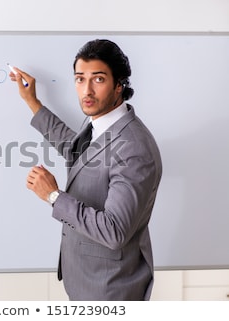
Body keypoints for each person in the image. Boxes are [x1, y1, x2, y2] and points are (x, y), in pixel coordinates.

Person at [9, 39, 162, 300]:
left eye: (98, 79)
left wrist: (53, 196)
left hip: (111, 291)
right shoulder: (102, 125)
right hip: (86, 282)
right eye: (80, 79)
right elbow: (74, 149)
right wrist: (33, 102)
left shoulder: (134, 148)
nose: (86, 90)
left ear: (119, 85)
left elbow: (114, 231)